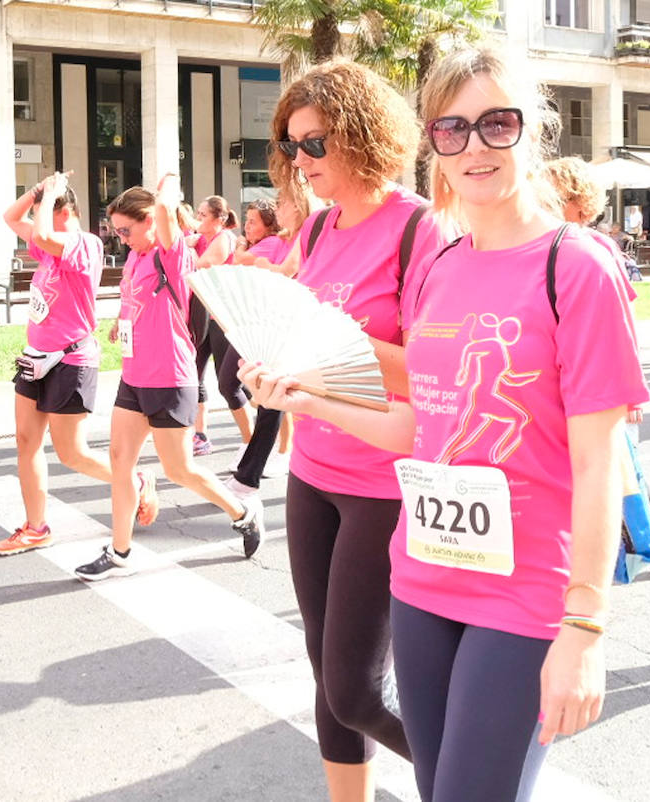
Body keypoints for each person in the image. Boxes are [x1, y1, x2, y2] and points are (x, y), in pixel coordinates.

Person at [245, 46, 648, 800]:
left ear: (533, 131)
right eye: (453, 129)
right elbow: (420, 430)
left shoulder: (578, 266)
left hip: (522, 593)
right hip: (423, 581)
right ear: (433, 141)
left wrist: (586, 627)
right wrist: (305, 400)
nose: (476, 147)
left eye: (497, 124)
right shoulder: (442, 264)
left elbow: (602, 463)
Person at [251, 59, 448, 802]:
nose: (301, 162)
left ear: (363, 134)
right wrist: (276, 367)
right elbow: (307, 347)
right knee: (324, 673)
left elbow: (434, 370)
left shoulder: (419, 229)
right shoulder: (322, 228)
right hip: (313, 472)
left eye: (315, 143)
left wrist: (340, 347)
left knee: (357, 691)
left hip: (384, 484)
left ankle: (473, 775)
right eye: (291, 146)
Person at [74, 174, 264, 581]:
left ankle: (243, 513)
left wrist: (166, 190)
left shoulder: (172, 254)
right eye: (115, 231)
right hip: (134, 376)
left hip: (171, 377)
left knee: (179, 470)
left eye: (126, 230)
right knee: (120, 461)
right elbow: (136, 299)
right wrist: (121, 322)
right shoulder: (135, 257)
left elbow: (166, 214)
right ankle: (119, 549)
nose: (121, 238)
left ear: (150, 221)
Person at [0, 171, 158, 555]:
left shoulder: (85, 244)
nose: (38, 219)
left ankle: (133, 481)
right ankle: (36, 527)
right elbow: (9, 218)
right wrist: (37, 191)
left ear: (64, 211)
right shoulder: (47, 246)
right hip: (36, 357)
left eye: (46, 210)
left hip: (71, 360)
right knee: (26, 441)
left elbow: (45, 235)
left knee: (71, 453)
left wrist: (49, 196)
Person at [545, 156, 650, 578]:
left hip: (602, 389)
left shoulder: (596, 247)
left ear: (579, 203)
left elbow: (621, 324)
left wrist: (629, 393)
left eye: (556, 196)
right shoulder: (540, 246)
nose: (544, 202)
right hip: (561, 385)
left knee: (624, 475)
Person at [224, 194, 308, 500]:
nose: (278, 208)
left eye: (283, 203)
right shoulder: (289, 236)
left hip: (292, 321)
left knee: (277, 399)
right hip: (269, 320)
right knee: (273, 397)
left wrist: (260, 262)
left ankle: (251, 474)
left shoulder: (311, 229)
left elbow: (288, 269)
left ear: (299, 206)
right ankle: (252, 472)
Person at [189, 195, 251, 456]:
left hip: (222, 319)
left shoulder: (224, 239)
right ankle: (199, 434)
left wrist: (189, 249)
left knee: (232, 383)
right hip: (201, 313)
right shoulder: (199, 238)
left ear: (219, 218)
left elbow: (200, 264)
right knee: (195, 373)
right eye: (199, 214)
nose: (198, 219)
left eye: (203, 214)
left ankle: (260, 432)